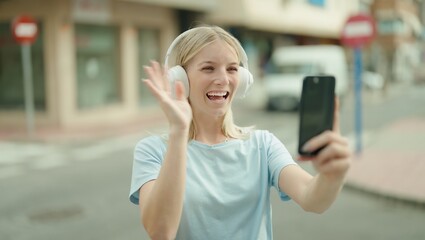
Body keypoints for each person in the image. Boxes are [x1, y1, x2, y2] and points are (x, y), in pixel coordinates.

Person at [129, 25, 351, 240]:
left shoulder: (263, 145)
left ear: (243, 79)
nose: (223, 79)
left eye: (232, 69)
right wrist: (179, 131)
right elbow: (160, 232)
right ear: (181, 79)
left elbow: (312, 199)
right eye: (208, 68)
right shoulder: (153, 151)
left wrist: (332, 176)